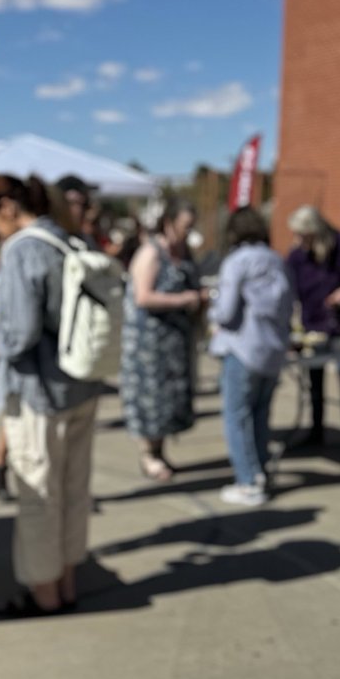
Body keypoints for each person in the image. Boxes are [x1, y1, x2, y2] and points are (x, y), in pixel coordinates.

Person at [0, 173, 103, 615]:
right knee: (73, 491)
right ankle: (66, 583)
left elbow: (21, 331)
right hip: (82, 384)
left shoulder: (23, 248)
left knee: (39, 494)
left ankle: (44, 595)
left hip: (39, 390)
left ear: (7, 207)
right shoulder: (71, 240)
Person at [209, 206, 294, 506]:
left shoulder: (237, 261)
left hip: (242, 349)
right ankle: (260, 473)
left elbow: (225, 311)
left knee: (237, 417)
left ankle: (248, 481)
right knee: (260, 417)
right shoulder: (276, 260)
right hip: (272, 350)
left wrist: (210, 312)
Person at [119, 199, 205, 481]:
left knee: (168, 400)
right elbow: (142, 297)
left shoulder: (184, 252)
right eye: (184, 226)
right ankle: (148, 455)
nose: (187, 232)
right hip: (149, 343)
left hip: (174, 341)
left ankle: (159, 450)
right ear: (168, 223)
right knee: (150, 400)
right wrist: (184, 299)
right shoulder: (151, 253)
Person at [286, 205, 340, 447]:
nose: (299, 240)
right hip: (313, 324)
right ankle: (316, 429)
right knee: (315, 378)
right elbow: (288, 287)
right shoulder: (297, 255)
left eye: (304, 235)